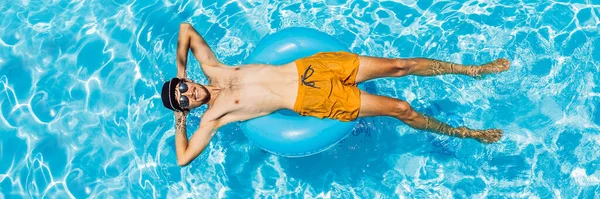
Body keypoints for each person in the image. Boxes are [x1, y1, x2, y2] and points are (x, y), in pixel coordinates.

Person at [161, 23, 508, 166]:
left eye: (183, 88)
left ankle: (473, 70)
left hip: (314, 67)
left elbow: (185, 30)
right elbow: (182, 158)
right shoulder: (212, 116)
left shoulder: (214, 69)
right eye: (184, 99)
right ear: (188, 107)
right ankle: (468, 134)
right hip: (314, 101)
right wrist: (181, 122)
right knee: (401, 108)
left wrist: (179, 71)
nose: (188, 93)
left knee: (399, 65)